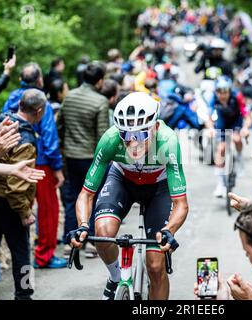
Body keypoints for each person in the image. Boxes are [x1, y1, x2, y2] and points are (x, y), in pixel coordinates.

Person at [68, 92, 189, 300]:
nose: (133, 143)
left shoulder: (168, 141)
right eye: (126, 134)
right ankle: (116, 278)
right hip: (123, 180)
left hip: (158, 188)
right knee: (103, 231)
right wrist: (82, 225)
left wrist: (169, 230)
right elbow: (86, 194)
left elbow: (181, 204)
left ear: (156, 128)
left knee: (155, 264)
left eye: (141, 135)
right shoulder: (110, 139)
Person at [0, 89, 47, 300]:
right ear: (39, 111)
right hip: (9, 200)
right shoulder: (24, 136)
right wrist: (25, 212)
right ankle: (24, 295)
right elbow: (16, 183)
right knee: (21, 251)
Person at [2, 62, 65, 269]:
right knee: (48, 209)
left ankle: (19, 253)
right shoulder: (40, 102)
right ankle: (43, 256)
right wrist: (57, 168)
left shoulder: (12, 99)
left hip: (11, 162)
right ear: (39, 80)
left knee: (20, 206)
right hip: (40, 162)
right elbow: (49, 136)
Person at [57, 61, 108, 258]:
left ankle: (70, 241)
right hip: (91, 158)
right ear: (100, 80)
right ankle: (92, 242)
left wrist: (65, 145)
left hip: (71, 156)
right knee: (93, 197)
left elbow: (60, 125)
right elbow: (103, 136)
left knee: (72, 197)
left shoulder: (69, 97)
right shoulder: (100, 101)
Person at [209, 76, 252, 197]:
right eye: (219, 92)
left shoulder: (237, 96)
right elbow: (208, 116)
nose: (222, 95)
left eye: (225, 92)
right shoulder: (213, 98)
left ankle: (239, 159)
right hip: (222, 123)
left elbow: (247, 116)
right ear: (216, 92)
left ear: (229, 91)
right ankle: (220, 184)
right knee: (221, 149)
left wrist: (245, 128)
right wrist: (210, 129)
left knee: (237, 139)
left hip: (235, 121)